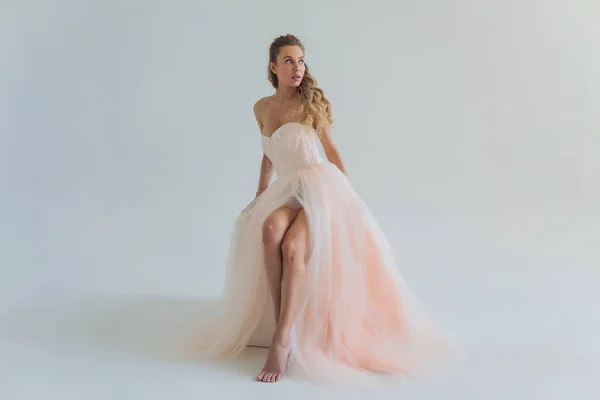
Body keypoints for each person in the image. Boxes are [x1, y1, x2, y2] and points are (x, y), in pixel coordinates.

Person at [191, 34, 462, 384]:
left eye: (301, 60)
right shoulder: (261, 108)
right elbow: (267, 153)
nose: (297, 68)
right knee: (269, 229)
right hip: (287, 188)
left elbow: (331, 153)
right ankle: (282, 321)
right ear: (273, 67)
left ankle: (281, 341)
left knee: (292, 247)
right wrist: (260, 194)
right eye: (289, 61)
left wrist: (347, 196)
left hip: (320, 186)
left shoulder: (311, 105)